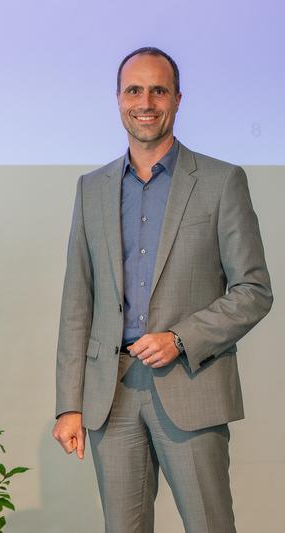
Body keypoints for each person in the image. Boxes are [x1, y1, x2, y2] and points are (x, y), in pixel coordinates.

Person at [52, 47, 273, 533]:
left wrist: (180, 338)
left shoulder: (221, 181)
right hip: (110, 395)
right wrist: (69, 403)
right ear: (118, 100)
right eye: (134, 90)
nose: (145, 101)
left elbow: (254, 289)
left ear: (177, 99)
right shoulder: (91, 189)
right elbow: (77, 303)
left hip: (192, 387)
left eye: (158, 90)